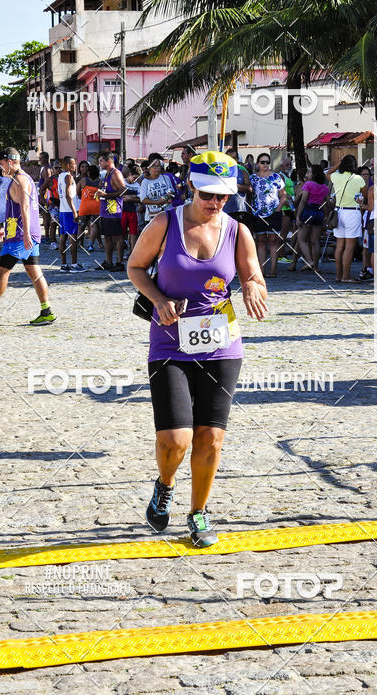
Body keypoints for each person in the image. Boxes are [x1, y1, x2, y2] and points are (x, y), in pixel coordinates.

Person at [127, 151, 268, 547]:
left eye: (223, 196)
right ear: (191, 186)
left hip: (221, 343)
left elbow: (251, 272)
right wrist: (157, 299)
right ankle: (165, 483)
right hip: (170, 342)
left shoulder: (237, 231)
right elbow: (135, 267)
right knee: (175, 440)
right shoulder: (164, 223)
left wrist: (255, 286)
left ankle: (199, 513)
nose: (215, 203)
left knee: (210, 438)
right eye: (208, 194)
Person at [0, 147, 55, 326]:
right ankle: (46, 311)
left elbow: (25, 208)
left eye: (2, 164)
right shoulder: (21, 179)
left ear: (10, 162)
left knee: (1, 271)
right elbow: (16, 211)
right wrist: (6, 229)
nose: (1, 167)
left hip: (21, 236)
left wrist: (25, 233)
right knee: (34, 270)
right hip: (22, 232)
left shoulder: (19, 180)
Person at [249, 153, 287, 278]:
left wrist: (278, 209)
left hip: (273, 213)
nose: (265, 164)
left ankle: (273, 270)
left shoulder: (276, 177)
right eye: (262, 162)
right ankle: (261, 270)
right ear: (257, 163)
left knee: (273, 241)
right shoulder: (253, 178)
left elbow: (283, 195)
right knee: (260, 241)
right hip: (258, 213)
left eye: (267, 162)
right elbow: (250, 194)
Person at [328, 155, 364, 282]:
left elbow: (328, 173)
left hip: (339, 212)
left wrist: (338, 163)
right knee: (349, 247)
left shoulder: (336, 176)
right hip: (352, 213)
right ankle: (346, 276)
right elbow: (363, 193)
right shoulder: (358, 178)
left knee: (339, 246)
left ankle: (338, 275)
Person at [294, 165, 330, 271]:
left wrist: (298, 216)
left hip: (308, 210)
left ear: (314, 174)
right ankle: (316, 266)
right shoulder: (325, 187)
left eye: (309, 172)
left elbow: (303, 200)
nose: (307, 174)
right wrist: (326, 215)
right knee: (316, 241)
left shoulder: (308, 184)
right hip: (319, 212)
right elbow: (327, 203)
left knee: (301, 239)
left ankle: (310, 261)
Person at [96, 150, 126, 271]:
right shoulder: (106, 174)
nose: (100, 164)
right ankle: (108, 262)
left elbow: (123, 190)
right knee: (107, 237)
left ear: (108, 161)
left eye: (101, 161)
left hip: (114, 210)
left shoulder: (115, 174)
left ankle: (119, 262)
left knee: (118, 237)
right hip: (105, 210)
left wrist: (106, 194)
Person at [58, 156, 86, 273]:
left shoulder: (60, 176)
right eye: (74, 164)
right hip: (69, 211)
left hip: (62, 210)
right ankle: (74, 264)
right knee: (73, 238)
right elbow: (68, 195)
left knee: (63, 237)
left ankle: (64, 264)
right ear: (69, 165)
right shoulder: (68, 177)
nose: (76, 166)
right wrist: (75, 211)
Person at [139, 156, 176, 231]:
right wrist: (157, 202)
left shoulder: (165, 178)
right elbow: (143, 199)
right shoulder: (145, 182)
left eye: (158, 166)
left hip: (167, 214)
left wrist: (167, 198)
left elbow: (172, 192)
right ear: (149, 168)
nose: (157, 168)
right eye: (154, 166)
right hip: (152, 216)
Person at [224, 148, 252, 225]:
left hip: (240, 210)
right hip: (225, 210)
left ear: (237, 159)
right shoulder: (222, 172)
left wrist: (235, 186)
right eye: (229, 158)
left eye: (234, 158)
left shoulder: (242, 171)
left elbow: (249, 189)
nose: (232, 160)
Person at [121, 164, 141, 256]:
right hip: (122, 211)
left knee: (133, 233)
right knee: (122, 233)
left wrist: (131, 198)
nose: (135, 180)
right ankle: (121, 253)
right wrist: (134, 197)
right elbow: (122, 197)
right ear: (129, 174)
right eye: (134, 177)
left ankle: (133, 253)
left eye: (137, 178)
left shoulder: (137, 185)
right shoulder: (123, 183)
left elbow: (141, 198)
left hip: (133, 211)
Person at [37, 152, 53, 244]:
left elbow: (48, 182)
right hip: (44, 194)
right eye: (39, 158)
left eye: (41, 158)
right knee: (45, 215)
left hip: (45, 195)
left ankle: (47, 236)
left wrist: (43, 195)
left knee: (46, 215)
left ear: (46, 158)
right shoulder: (46, 168)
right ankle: (48, 236)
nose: (40, 160)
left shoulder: (47, 169)